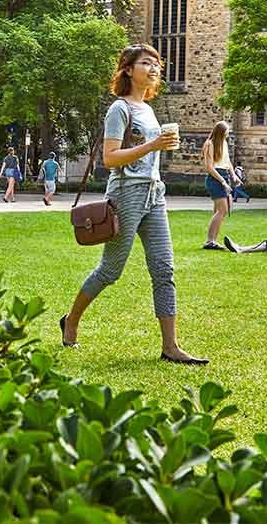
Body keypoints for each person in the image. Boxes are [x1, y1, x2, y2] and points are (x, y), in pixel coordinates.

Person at [60, 43, 208, 365]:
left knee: (164, 269)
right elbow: (110, 158)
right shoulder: (120, 109)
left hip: (154, 194)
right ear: (128, 69)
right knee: (110, 271)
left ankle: (170, 347)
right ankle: (71, 321)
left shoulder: (149, 110)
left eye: (157, 64)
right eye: (146, 63)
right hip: (126, 194)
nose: (154, 69)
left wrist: (158, 147)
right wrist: (154, 144)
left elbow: (147, 152)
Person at [201, 121, 238, 250]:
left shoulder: (224, 143)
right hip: (214, 178)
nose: (227, 134)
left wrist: (233, 175)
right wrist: (223, 182)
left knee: (221, 211)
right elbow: (210, 167)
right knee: (223, 210)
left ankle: (213, 241)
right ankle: (209, 241)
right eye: (226, 132)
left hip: (224, 176)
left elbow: (227, 162)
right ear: (220, 132)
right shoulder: (209, 144)